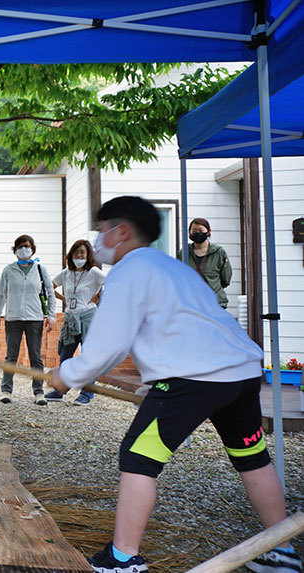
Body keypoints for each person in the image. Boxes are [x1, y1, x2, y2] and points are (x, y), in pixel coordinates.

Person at [49, 196, 300, 573]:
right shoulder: (174, 267)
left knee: (137, 459)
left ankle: (122, 559)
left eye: (102, 231)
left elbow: (109, 347)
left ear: (122, 232)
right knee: (253, 460)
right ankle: (281, 551)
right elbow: (183, 327)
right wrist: (156, 381)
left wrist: (67, 374)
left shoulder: (128, 271)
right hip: (241, 371)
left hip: (193, 379)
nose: (98, 240)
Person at [0, 235, 55, 406]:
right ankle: (6, 390)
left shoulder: (40, 270)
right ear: (15, 250)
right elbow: (0, 293)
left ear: (33, 249)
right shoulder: (8, 270)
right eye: (20, 246)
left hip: (34, 318)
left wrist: (51, 316)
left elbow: (50, 292)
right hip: (13, 318)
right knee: (11, 356)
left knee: (36, 356)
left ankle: (39, 392)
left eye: (27, 246)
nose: (24, 249)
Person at [44, 240, 105, 406]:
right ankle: (59, 390)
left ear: (88, 255)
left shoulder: (93, 272)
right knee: (65, 354)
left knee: (89, 356)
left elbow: (112, 283)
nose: (79, 256)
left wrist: (98, 297)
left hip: (87, 317)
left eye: (82, 253)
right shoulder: (67, 273)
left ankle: (87, 394)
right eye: (76, 252)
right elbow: (49, 286)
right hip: (70, 318)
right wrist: (63, 299)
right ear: (71, 255)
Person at [185, 217, 232, 308]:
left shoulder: (219, 252)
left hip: (215, 303)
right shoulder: (184, 252)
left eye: (201, 230)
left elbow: (226, 278)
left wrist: (213, 286)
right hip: (192, 303)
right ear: (189, 233)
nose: (197, 233)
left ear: (208, 232)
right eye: (194, 231)